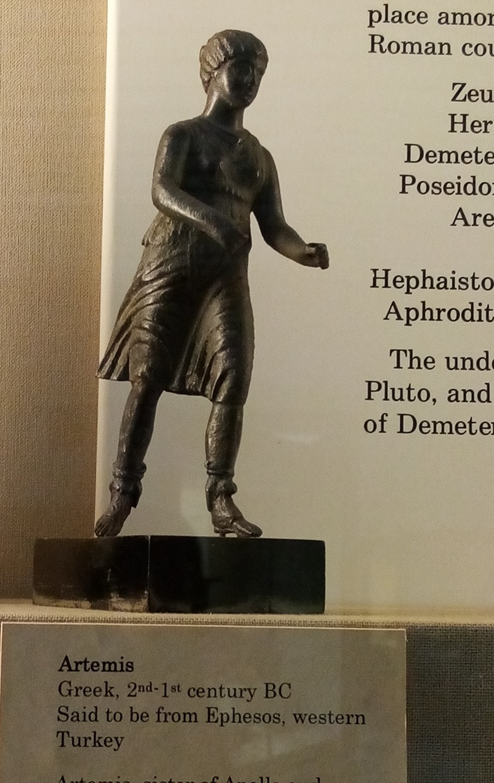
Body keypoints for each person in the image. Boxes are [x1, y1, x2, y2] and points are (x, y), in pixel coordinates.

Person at [96, 29, 328, 539]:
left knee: (234, 376)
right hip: (171, 263)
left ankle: (221, 496)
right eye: (241, 69)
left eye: (258, 74)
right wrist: (212, 221)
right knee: (147, 376)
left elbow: (273, 225)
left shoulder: (259, 157)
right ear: (213, 72)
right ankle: (122, 493)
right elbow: (162, 189)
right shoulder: (183, 135)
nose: (250, 81)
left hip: (225, 276)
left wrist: (303, 251)